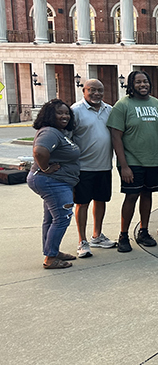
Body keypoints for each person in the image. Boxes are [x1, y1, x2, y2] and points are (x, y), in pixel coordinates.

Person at [107, 70, 158, 252]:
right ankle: (123, 235)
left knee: (147, 195)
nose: (143, 85)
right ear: (131, 85)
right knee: (132, 196)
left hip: (154, 161)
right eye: (138, 82)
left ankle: (143, 231)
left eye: (145, 82)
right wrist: (124, 166)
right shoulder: (122, 105)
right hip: (131, 162)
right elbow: (116, 137)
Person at [28, 99, 81, 269]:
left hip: (55, 182)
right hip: (52, 182)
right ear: (50, 115)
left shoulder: (57, 132)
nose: (64, 116)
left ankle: (52, 251)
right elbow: (39, 151)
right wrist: (46, 168)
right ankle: (50, 258)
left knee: (51, 218)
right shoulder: (50, 132)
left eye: (67, 113)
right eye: (60, 113)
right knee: (62, 218)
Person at [71, 79, 116, 257]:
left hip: (104, 165)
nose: (97, 94)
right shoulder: (75, 111)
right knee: (82, 203)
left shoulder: (109, 110)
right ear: (84, 91)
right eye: (92, 90)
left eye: (100, 90)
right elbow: (68, 138)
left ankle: (97, 235)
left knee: (101, 200)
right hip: (83, 167)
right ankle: (82, 241)